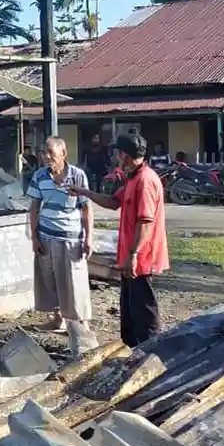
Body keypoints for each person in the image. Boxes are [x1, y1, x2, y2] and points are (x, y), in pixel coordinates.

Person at [67, 132, 168, 347]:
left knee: (144, 313)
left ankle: (151, 353)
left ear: (124, 155)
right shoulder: (133, 178)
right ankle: (134, 351)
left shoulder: (145, 181)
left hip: (141, 259)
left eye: (118, 153)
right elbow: (114, 202)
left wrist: (133, 256)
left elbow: (145, 222)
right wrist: (84, 192)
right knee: (130, 313)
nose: (116, 158)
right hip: (130, 258)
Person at [26, 136, 98, 357]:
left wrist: (89, 238)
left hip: (71, 238)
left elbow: (87, 209)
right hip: (47, 236)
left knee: (74, 283)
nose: (47, 158)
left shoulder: (77, 176)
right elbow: (34, 207)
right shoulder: (39, 176)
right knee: (50, 280)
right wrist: (35, 238)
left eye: (51, 154)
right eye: (44, 153)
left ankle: (81, 326)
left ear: (63, 154)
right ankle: (57, 319)